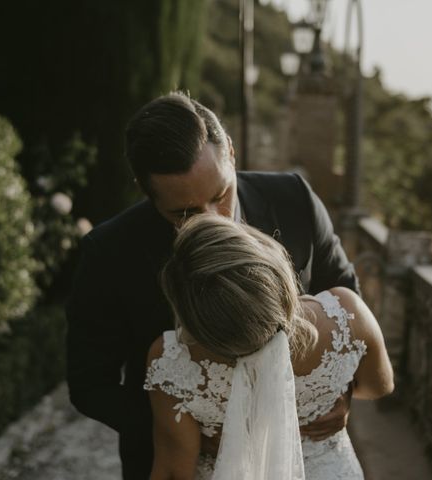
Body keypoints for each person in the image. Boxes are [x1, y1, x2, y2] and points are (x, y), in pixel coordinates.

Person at [66, 91, 360, 479]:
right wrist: (186, 428)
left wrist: (342, 389)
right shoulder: (107, 253)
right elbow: (90, 384)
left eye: (221, 195)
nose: (211, 219)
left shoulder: (295, 200)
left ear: (231, 155)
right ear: (145, 189)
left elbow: (344, 297)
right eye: (183, 213)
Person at [145, 215, 394, 479]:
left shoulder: (171, 359)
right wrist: (336, 390)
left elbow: (174, 472)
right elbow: (379, 386)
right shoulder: (345, 312)